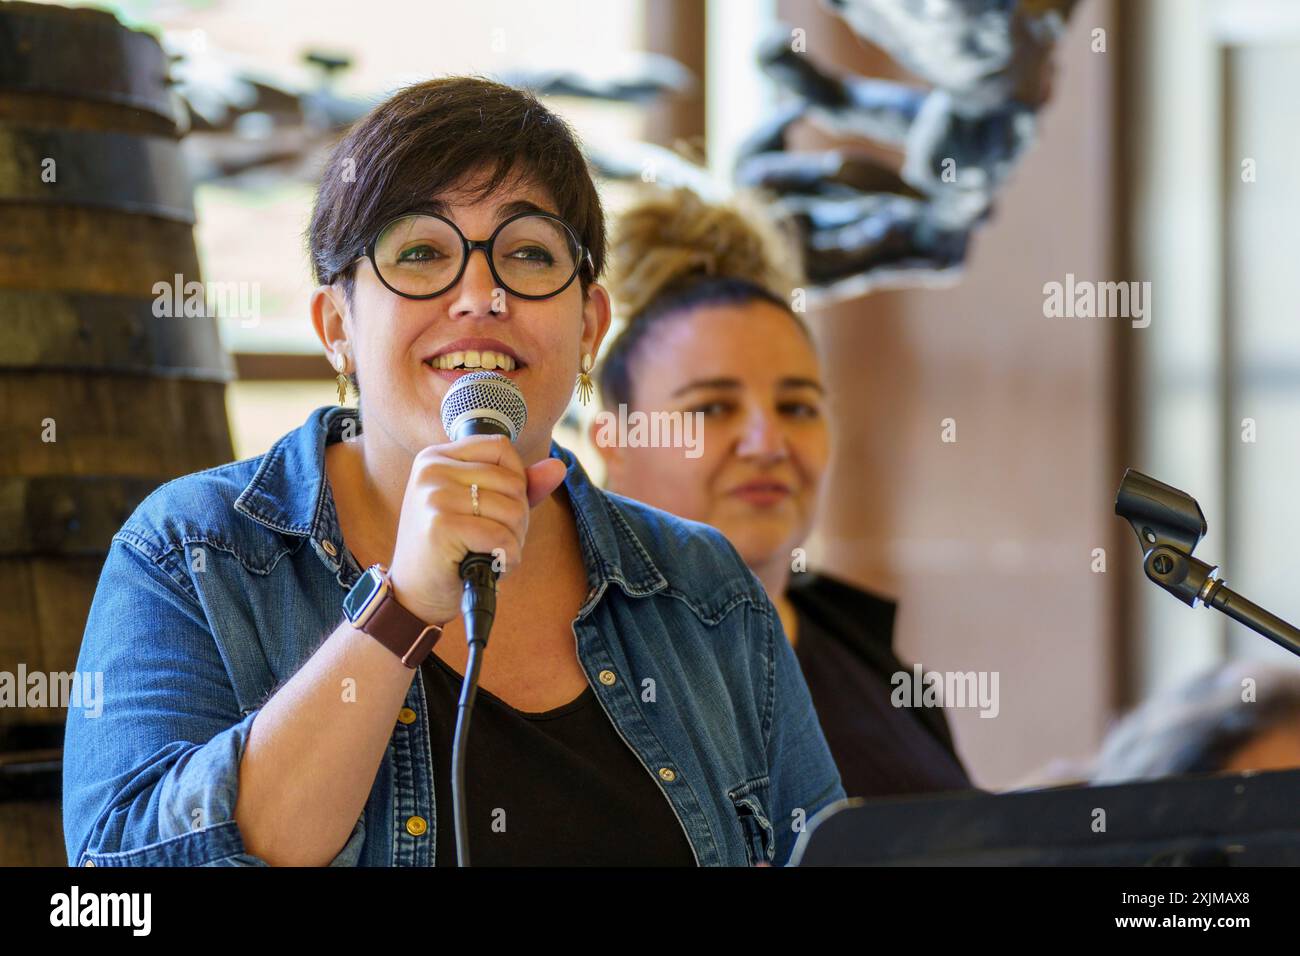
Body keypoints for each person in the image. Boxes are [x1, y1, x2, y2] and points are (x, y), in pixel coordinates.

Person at [61, 77, 843, 868]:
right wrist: (401, 609)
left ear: (589, 330)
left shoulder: (704, 589)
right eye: (422, 252)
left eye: (529, 254)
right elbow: (122, 893)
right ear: (337, 328)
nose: (481, 295)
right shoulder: (194, 551)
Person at [592, 186, 973, 798]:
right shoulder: (577, 669)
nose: (768, 443)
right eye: (713, 408)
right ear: (614, 441)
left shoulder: (868, 653)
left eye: (797, 406)